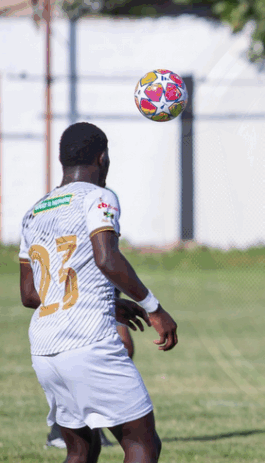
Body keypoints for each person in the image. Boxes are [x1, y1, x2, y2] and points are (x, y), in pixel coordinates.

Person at [19, 122, 179, 463]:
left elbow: (30, 294)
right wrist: (153, 307)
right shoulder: (98, 197)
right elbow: (107, 258)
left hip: (46, 350)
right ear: (102, 158)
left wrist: (106, 300)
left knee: (81, 450)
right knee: (142, 446)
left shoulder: (33, 212)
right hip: (89, 342)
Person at [45, 298, 139, 449]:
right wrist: (152, 305)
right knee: (145, 444)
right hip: (79, 321)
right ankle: (65, 431)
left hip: (96, 309)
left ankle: (84, 428)